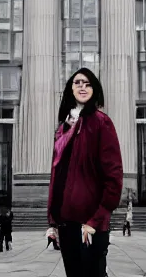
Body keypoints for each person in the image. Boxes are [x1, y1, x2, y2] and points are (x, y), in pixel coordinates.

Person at [47, 67, 123, 277]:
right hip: (65, 220)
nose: (82, 87)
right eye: (78, 82)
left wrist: (97, 220)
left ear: (94, 89)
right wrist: (52, 220)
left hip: (89, 223)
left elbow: (114, 175)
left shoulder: (101, 122)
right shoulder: (64, 128)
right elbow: (57, 174)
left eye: (88, 83)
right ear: (70, 88)